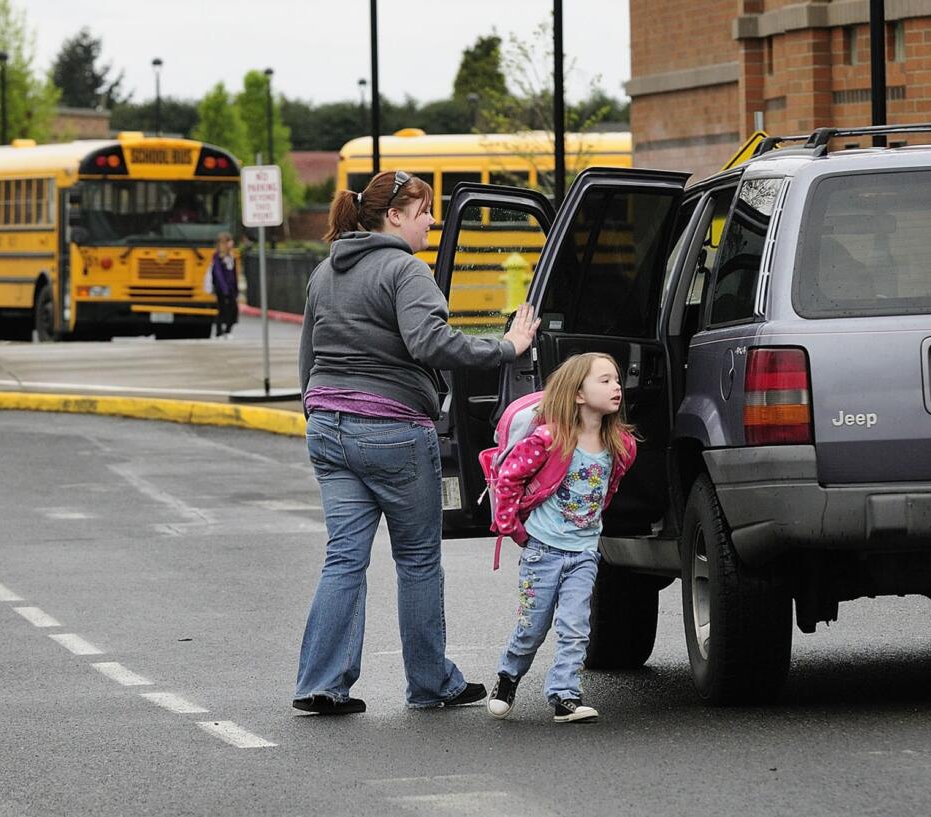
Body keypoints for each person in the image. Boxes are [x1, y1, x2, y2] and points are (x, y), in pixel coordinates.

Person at [293, 170, 540, 715]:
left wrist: (317, 408)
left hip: (328, 428)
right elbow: (431, 342)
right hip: (392, 430)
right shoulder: (406, 270)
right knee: (418, 560)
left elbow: (308, 359)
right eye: (425, 209)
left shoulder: (323, 272)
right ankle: (431, 684)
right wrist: (506, 346)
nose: (432, 219)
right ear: (395, 216)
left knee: (343, 559)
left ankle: (321, 683)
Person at [485, 352, 637, 724]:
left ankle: (564, 696)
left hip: (584, 552)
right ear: (578, 394)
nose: (615, 387)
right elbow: (508, 478)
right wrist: (512, 527)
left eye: (616, 379)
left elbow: (608, 489)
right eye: (604, 381)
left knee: (575, 626)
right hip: (542, 551)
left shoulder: (620, 445)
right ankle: (508, 677)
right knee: (531, 627)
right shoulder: (550, 438)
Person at [207, 232, 239, 337]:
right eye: (229, 241)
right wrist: (224, 288)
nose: (232, 243)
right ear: (224, 243)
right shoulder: (218, 257)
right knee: (222, 309)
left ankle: (227, 329)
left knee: (233, 309)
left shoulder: (231, 256)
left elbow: (234, 273)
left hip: (231, 287)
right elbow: (218, 273)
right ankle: (219, 331)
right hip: (222, 288)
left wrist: (235, 288)